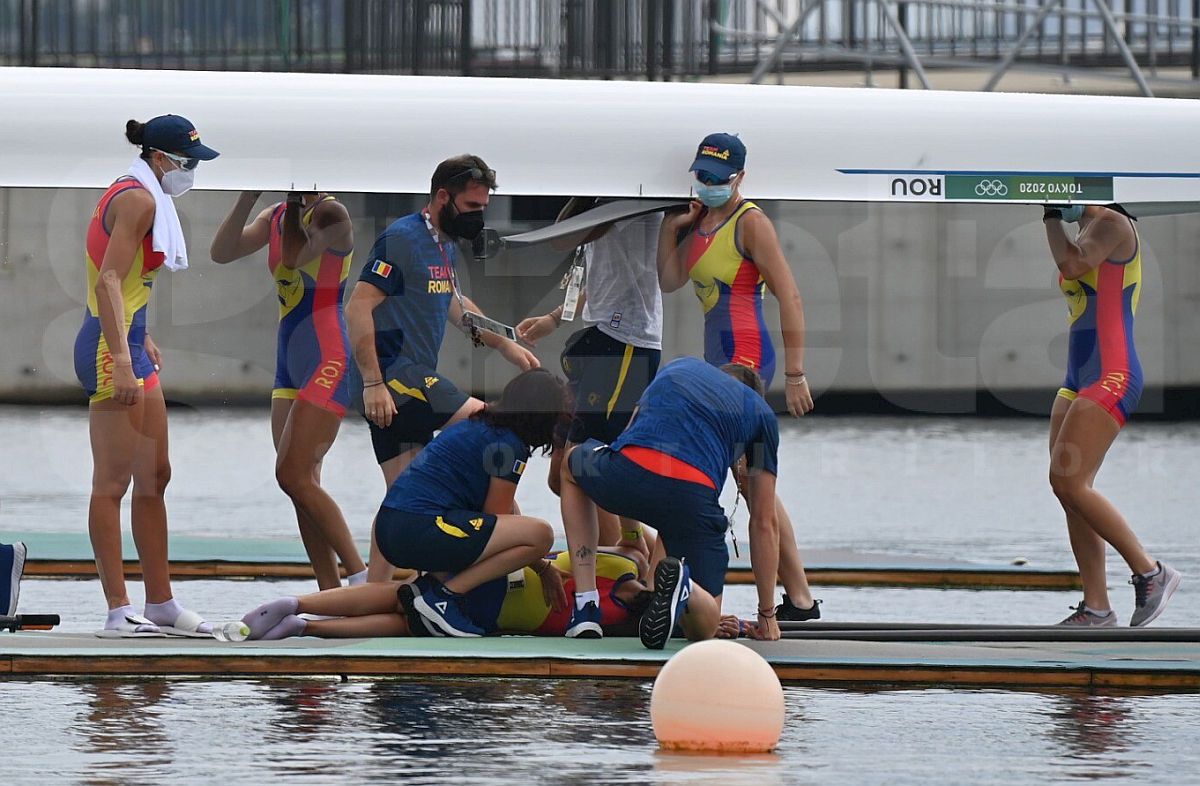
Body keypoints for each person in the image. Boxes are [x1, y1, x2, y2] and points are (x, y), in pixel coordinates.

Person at [344, 155, 539, 583]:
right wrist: (374, 383)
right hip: (397, 375)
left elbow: (456, 304)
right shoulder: (402, 239)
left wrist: (504, 343)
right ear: (442, 197)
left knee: (402, 498)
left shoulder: (443, 243)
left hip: (408, 381)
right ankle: (520, 566)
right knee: (494, 428)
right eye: (471, 208)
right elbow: (358, 306)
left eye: (483, 209)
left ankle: (371, 593)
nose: (477, 218)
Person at [656, 132, 820, 621]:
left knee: (752, 479)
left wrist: (795, 372)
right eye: (701, 176)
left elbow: (789, 296)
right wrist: (673, 229)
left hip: (747, 356)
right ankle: (800, 598)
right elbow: (669, 281)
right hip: (716, 356)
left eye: (718, 179)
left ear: (740, 179)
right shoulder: (700, 220)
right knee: (750, 482)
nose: (707, 184)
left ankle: (796, 599)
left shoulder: (753, 225)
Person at [73, 115, 218, 637]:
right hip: (111, 350)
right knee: (111, 484)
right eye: (188, 162)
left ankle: (161, 603)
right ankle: (117, 611)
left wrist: (143, 336)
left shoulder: (145, 192)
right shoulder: (138, 199)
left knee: (155, 478)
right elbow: (108, 279)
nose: (192, 172)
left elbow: (131, 283)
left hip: (130, 339)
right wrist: (125, 359)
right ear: (160, 158)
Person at [294, 368, 568, 637]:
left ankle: (298, 612)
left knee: (405, 598)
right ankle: (446, 596)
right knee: (541, 534)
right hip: (422, 527)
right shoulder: (510, 446)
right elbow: (498, 520)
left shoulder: (480, 424)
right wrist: (541, 565)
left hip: (393, 527)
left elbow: (503, 515)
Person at [559, 357, 783, 649]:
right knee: (706, 627)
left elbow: (625, 440)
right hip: (693, 497)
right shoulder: (762, 414)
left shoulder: (680, 367)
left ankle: (586, 606)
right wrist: (766, 615)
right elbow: (764, 522)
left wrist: (632, 534)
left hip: (628, 473)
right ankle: (686, 588)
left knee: (569, 466)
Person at [209, 191, 366, 589]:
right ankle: (329, 590)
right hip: (289, 361)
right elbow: (221, 253)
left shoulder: (332, 212)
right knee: (301, 483)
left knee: (293, 475)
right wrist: (247, 197)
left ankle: (361, 577)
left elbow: (294, 258)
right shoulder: (275, 214)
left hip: (325, 355)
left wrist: (296, 202)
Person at [1042, 203, 1180, 626]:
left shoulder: (1114, 224)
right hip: (1077, 378)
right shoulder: (1086, 228)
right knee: (1070, 494)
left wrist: (1050, 217)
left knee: (1068, 479)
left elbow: (1070, 263)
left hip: (1112, 374)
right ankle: (1097, 607)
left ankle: (1151, 571)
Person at [516, 198, 664, 557]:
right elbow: (590, 268)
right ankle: (633, 548)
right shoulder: (598, 201)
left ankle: (627, 558)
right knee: (560, 477)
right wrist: (555, 317)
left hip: (627, 340)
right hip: (597, 335)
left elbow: (563, 237)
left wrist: (588, 188)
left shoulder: (631, 199)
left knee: (583, 466)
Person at [240, 550, 650, 640]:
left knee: (397, 593)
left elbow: (562, 554)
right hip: (495, 616)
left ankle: (299, 604)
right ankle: (306, 628)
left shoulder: (618, 569)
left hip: (493, 575)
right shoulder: (619, 630)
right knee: (405, 625)